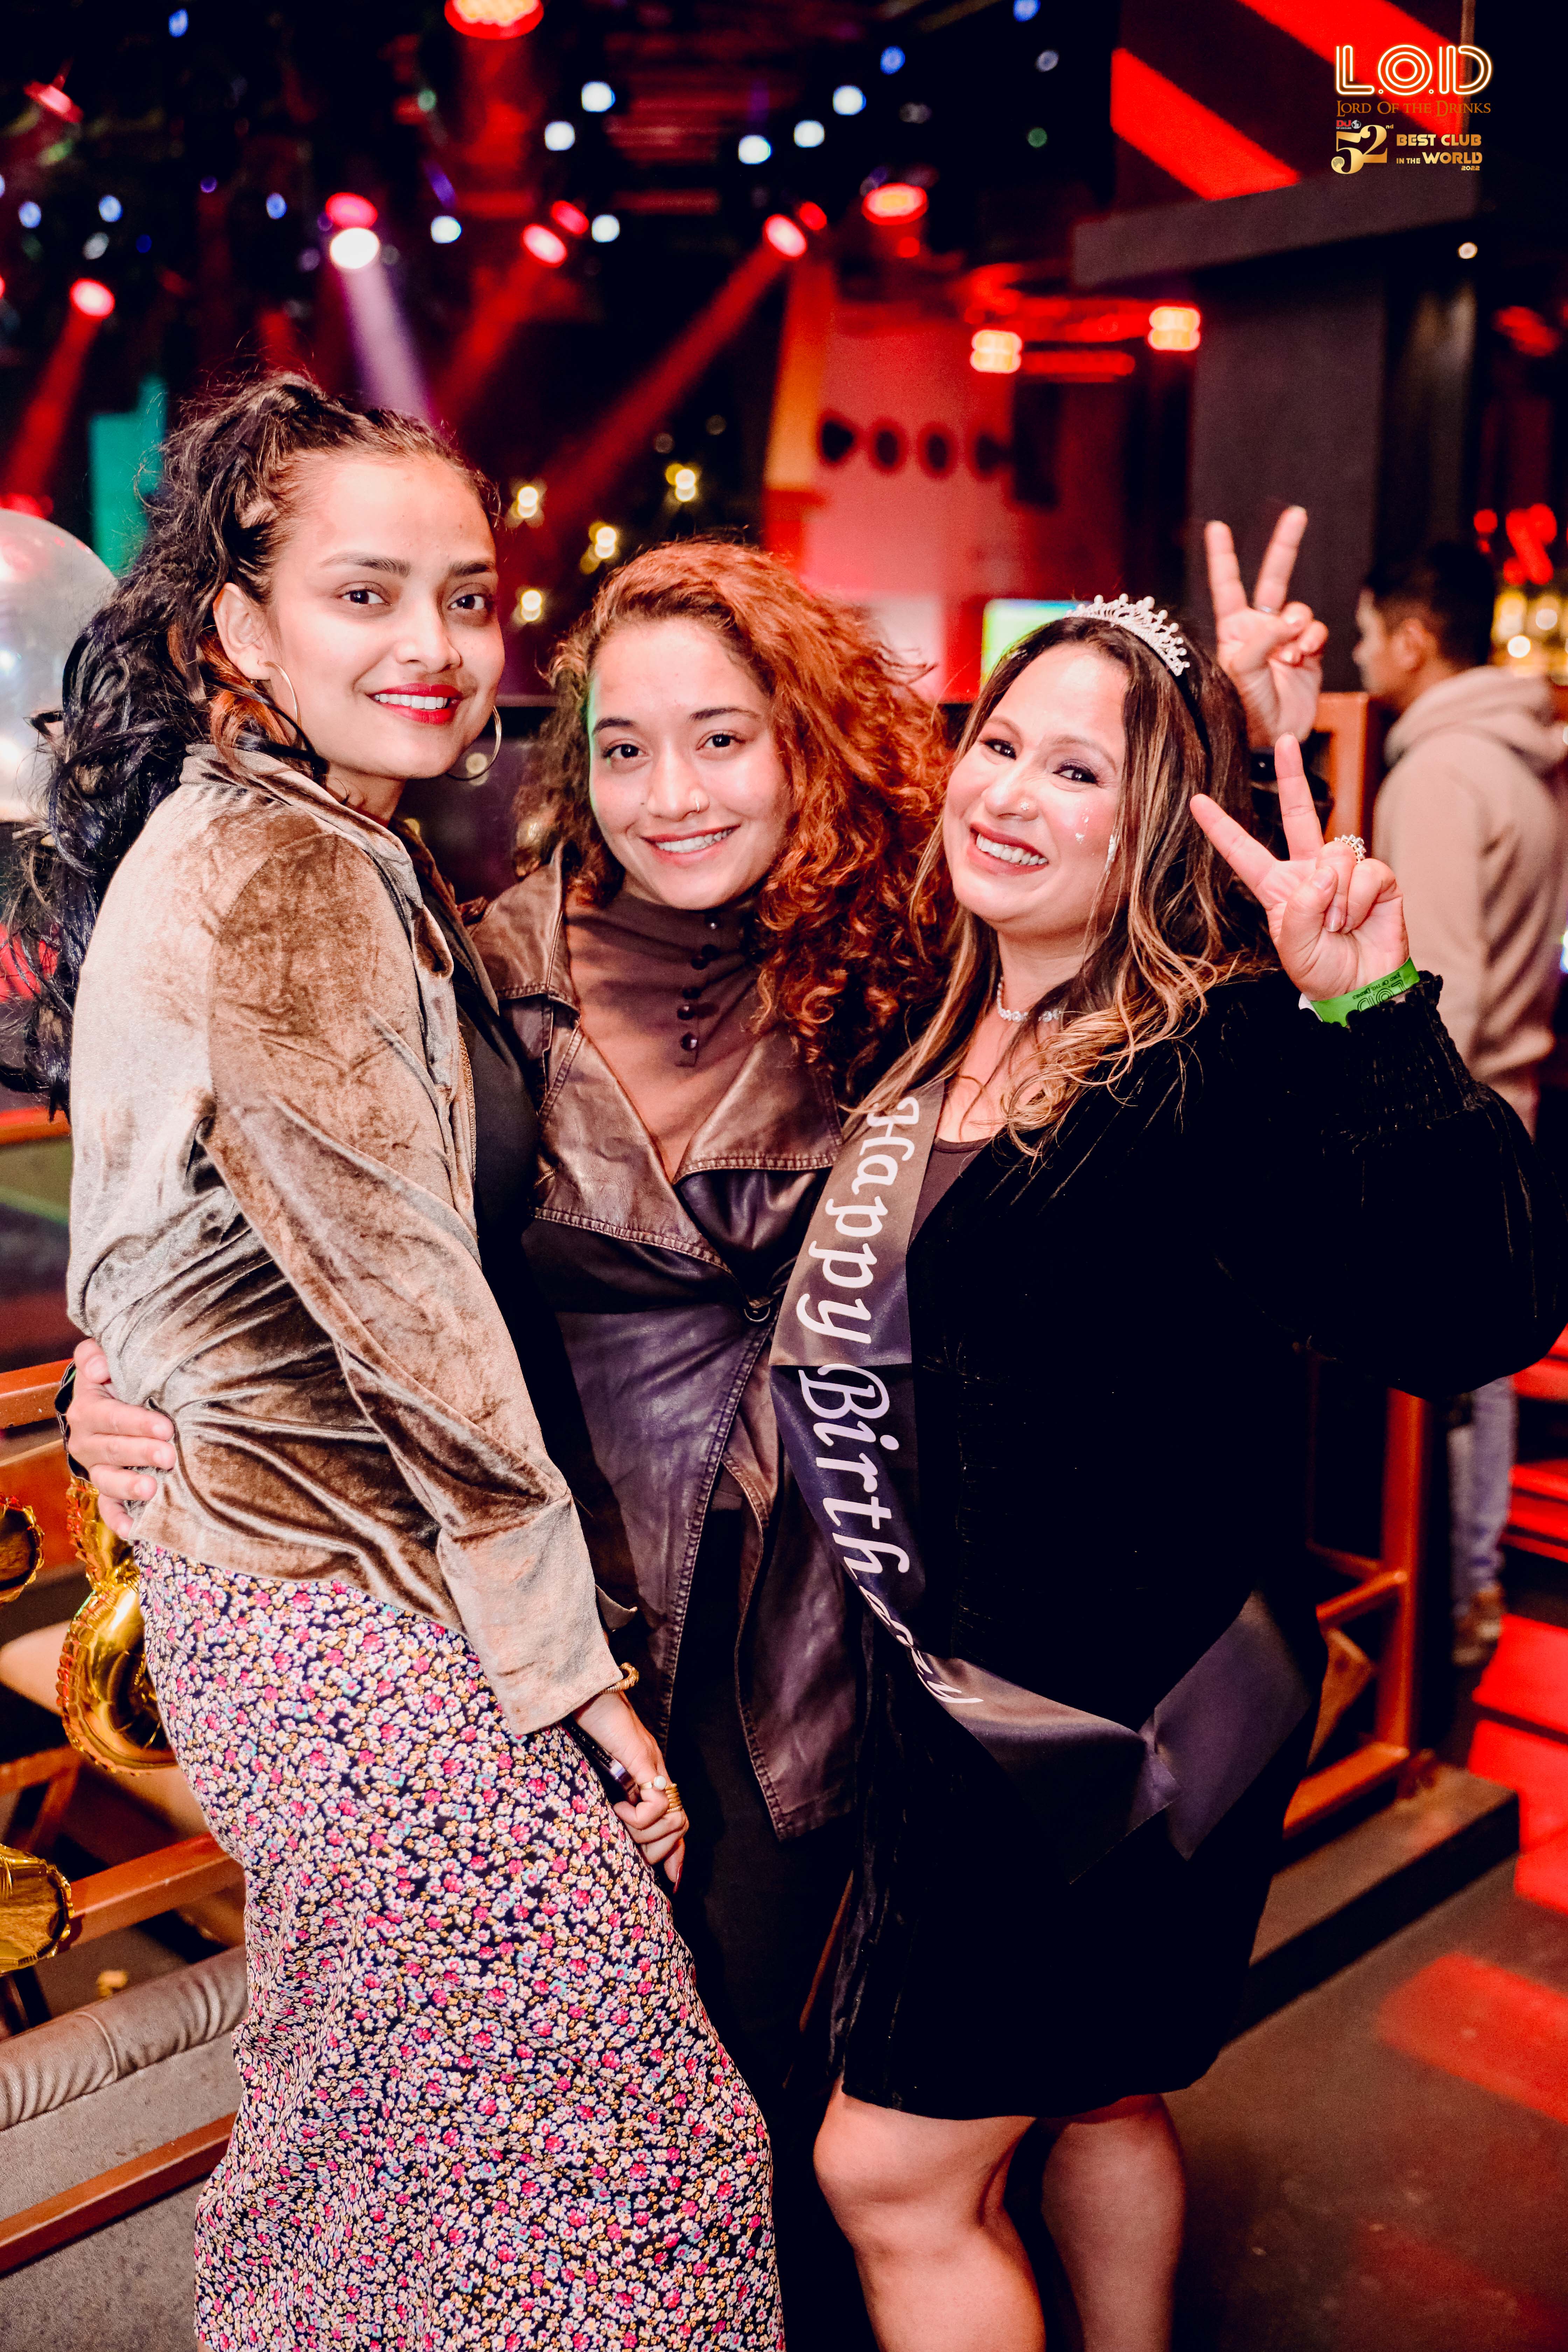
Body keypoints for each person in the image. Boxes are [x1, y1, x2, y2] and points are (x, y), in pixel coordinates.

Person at [61, 533, 947, 2340]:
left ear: (810, 738)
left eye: (723, 738)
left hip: (806, 1625)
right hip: (532, 1610)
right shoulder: (485, 965)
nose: (671, 793)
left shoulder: (914, 969)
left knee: (748, 2090)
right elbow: (311, 1225)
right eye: (623, 748)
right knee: (545, 2118)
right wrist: (124, 1370)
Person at [768, 597, 1568, 2352]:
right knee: (1102, 2088)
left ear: (1152, 831)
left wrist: (1372, 1010)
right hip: (955, 1716)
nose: (1011, 793)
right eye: (1000, 744)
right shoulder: (934, 1029)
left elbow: (1480, 1311)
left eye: (1079, 772)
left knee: (888, 2175)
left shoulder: (1222, 1054)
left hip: (1105, 1748)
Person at [1356, 542, 1568, 1664]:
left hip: (1460, 1112)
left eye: (1366, 634)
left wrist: (1409, 1142)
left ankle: (1438, 1618)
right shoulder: (1526, 764)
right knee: (1485, 1376)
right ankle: (1472, 1594)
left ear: (1413, 639)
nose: (1359, 658)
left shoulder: (1440, 772)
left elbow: (1442, 992)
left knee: (1438, 1385)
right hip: (1515, 1099)